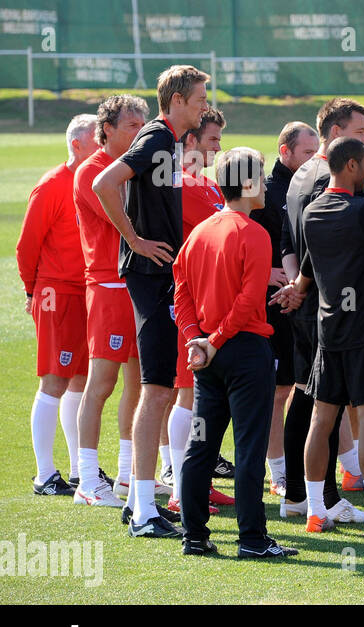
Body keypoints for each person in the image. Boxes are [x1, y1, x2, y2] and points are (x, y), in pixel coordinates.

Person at [91, 64, 210, 539]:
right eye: (200, 97)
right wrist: (135, 240)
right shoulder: (158, 138)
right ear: (178, 99)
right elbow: (104, 184)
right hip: (149, 275)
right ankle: (142, 510)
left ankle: (141, 503)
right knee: (157, 388)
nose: (204, 104)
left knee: (158, 386)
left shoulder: (172, 143)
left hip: (158, 275)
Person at [279, 137, 364, 535]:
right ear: (351, 165)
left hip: (328, 329)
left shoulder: (313, 211)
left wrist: (299, 288)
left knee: (320, 421)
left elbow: (307, 266)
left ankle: (315, 512)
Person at [175, 147, 297, 558]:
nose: (265, 185)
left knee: (201, 445)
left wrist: (199, 338)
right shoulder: (254, 232)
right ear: (247, 184)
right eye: (260, 178)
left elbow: (181, 290)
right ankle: (252, 539)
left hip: (207, 355)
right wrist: (216, 339)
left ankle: (195, 536)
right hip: (242, 351)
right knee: (248, 446)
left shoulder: (199, 232)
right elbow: (247, 301)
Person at [276, 98, 364, 526]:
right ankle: (324, 496)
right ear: (336, 134)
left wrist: (296, 284)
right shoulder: (332, 178)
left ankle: (299, 494)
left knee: (307, 393)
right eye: (360, 132)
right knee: (326, 402)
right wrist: (305, 287)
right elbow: (330, 245)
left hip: (308, 300)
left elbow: (288, 242)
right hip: (330, 305)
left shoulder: (299, 174)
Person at [72, 96, 147, 509]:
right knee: (101, 383)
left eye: (142, 124)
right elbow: (127, 220)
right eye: (132, 125)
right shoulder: (91, 172)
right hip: (109, 286)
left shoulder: (131, 167)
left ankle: (125, 473)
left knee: (138, 382)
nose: (140, 131)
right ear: (108, 130)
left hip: (137, 284)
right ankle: (86, 478)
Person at [19, 114, 95, 496]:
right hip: (57, 293)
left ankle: (82, 468)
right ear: (78, 144)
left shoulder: (93, 183)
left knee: (81, 379)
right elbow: (27, 245)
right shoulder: (52, 185)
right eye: (97, 141)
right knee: (54, 379)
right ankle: (44, 474)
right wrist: (33, 292)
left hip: (86, 291)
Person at [165, 106, 235, 516]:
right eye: (212, 140)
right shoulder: (182, 184)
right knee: (186, 391)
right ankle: (178, 484)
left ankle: (199, 481)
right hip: (190, 302)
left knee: (199, 393)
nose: (217, 147)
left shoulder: (204, 185)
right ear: (190, 141)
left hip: (209, 300)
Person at [248, 120, 319, 497]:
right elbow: (245, 244)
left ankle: (305, 469)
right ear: (285, 152)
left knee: (305, 388)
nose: (314, 159)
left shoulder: (308, 186)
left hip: (301, 303)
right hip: (272, 305)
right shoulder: (267, 192)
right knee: (278, 392)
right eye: (307, 153)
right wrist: (268, 273)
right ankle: (277, 472)